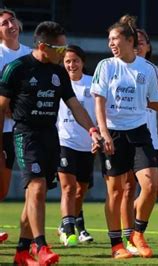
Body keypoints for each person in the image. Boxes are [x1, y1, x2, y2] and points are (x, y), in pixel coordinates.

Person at [0, 21, 101, 265]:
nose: (64, 52)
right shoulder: (17, 69)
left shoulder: (58, 73)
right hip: (26, 135)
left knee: (37, 193)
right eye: (60, 47)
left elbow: (74, 105)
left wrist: (92, 130)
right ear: (44, 46)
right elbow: (1, 108)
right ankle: (41, 246)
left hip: (50, 137)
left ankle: (22, 253)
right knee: (36, 188)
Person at [91, 15, 158, 259]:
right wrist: (104, 132)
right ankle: (116, 245)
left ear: (131, 41)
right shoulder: (106, 66)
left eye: (115, 39)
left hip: (140, 132)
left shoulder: (149, 69)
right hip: (114, 132)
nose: (111, 44)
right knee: (116, 191)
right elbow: (99, 102)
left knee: (151, 186)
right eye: (109, 40)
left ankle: (137, 232)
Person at [56, 45, 95, 246]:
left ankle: (75, 223)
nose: (71, 65)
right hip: (64, 141)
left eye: (75, 60)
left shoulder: (92, 84)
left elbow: (99, 112)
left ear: (82, 62)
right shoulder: (58, 84)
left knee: (81, 191)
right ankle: (69, 228)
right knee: (68, 188)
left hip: (87, 145)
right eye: (67, 61)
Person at [0, 8, 31, 244]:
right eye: (3, 23)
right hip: (1, 127)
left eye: (12, 20)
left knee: (2, 188)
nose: (10, 25)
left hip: (20, 129)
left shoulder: (30, 55)